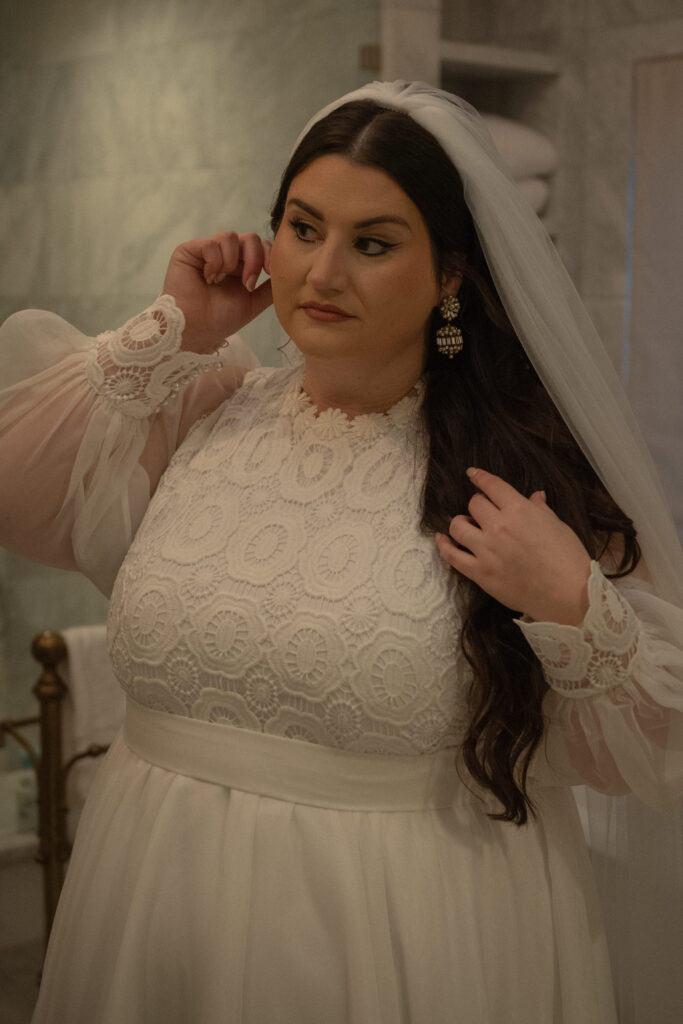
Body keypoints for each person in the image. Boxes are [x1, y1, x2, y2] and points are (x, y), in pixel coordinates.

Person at [0, 80, 681, 1024]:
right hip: (149, 897)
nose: (320, 274)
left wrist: (572, 603)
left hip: (393, 933)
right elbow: (21, 496)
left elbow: (651, 761)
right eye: (302, 227)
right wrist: (175, 332)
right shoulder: (204, 403)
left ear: (450, 274)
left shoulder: (518, 476)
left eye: (372, 243)